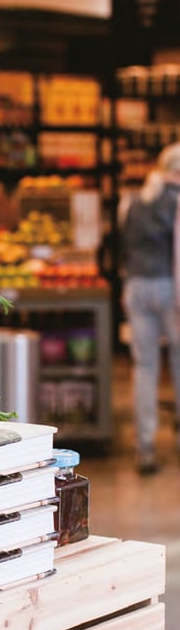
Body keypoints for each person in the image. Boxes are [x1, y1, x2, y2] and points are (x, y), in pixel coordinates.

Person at [121, 142, 180, 474]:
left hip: (137, 287)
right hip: (171, 289)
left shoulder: (136, 201)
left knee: (145, 368)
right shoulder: (177, 202)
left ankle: (145, 446)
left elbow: (123, 248)